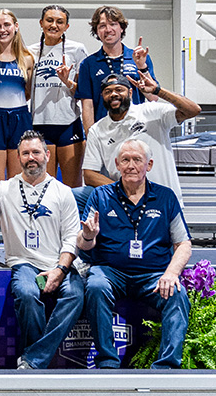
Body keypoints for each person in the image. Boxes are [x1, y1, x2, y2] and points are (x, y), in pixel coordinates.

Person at [0, 130, 84, 370]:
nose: (31, 157)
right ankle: (37, 360)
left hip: (57, 263)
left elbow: (72, 238)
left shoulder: (63, 192)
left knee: (75, 294)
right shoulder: (3, 189)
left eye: (36, 152)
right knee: (28, 293)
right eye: (26, 153)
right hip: (24, 264)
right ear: (18, 157)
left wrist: (60, 270)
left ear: (47, 155)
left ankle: (33, 360)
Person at [79, 139, 191, 369]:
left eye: (137, 160)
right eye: (126, 160)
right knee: (96, 285)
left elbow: (184, 244)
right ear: (117, 165)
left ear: (148, 165)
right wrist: (89, 235)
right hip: (111, 272)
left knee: (178, 295)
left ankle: (166, 366)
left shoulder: (165, 197)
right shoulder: (100, 196)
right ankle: (107, 361)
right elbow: (83, 245)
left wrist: (171, 273)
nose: (131, 165)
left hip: (153, 275)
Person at [79, 72, 199, 211]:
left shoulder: (151, 112)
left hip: (163, 203)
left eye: (119, 90)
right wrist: (125, 192)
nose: (113, 94)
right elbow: (89, 175)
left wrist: (158, 90)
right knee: (75, 196)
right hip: (123, 204)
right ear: (102, 97)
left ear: (130, 93)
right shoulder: (97, 130)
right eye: (108, 91)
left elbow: (193, 110)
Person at [0, 9, 34, 262]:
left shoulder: (27, 58)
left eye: (6, 25)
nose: (2, 30)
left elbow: (27, 93)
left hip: (20, 118)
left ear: (16, 26)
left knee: (17, 187)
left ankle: (15, 246)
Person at [28, 5, 89, 188]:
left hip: (68, 124)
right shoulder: (29, 52)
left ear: (66, 26)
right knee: (46, 187)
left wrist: (67, 81)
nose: (54, 25)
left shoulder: (77, 49)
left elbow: (83, 92)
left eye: (59, 21)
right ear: (41, 23)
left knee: (73, 188)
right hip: (39, 124)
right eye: (49, 20)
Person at [76, 5, 156, 129]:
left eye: (113, 24)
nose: (108, 29)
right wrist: (90, 137)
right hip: (104, 131)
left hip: (136, 128)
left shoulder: (139, 58)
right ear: (97, 31)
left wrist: (142, 68)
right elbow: (87, 106)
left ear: (122, 28)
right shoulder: (88, 64)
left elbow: (154, 98)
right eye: (102, 26)